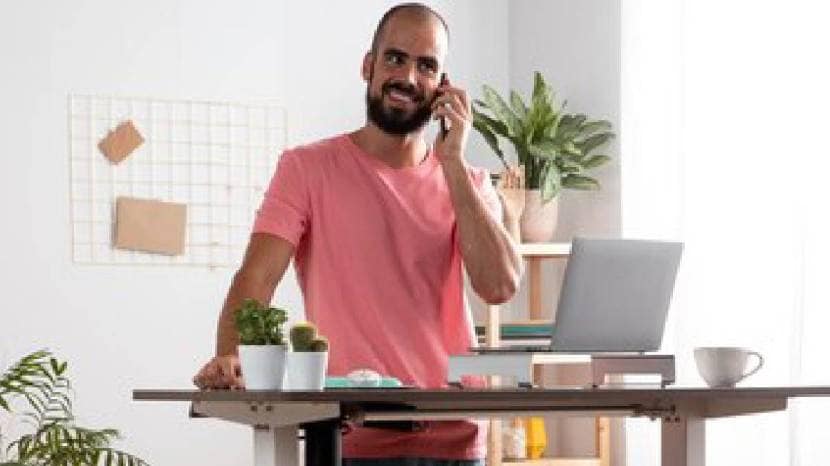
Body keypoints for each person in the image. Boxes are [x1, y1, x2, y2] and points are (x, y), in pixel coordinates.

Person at [193, 3, 522, 464]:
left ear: (443, 86)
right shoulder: (306, 169)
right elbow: (257, 277)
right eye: (395, 58)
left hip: (456, 437)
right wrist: (229, 355)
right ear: (368, 66)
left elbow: (500, 285)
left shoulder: (467, 181)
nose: (408, 76)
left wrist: (452, 164)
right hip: (349, 437)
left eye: (426, 65)